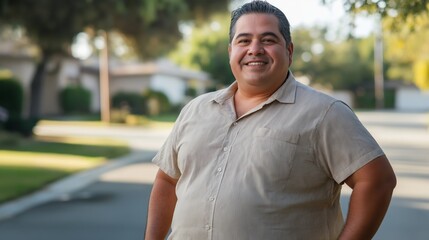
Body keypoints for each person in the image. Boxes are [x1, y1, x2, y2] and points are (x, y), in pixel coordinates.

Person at [145, 1, 397, 239]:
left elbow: (377, 181)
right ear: (231, 51)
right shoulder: (195, 109)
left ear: (289, 51)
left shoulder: (325, 113)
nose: (254, 49)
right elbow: (167, 180)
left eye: (268, 40)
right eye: (244, 40)